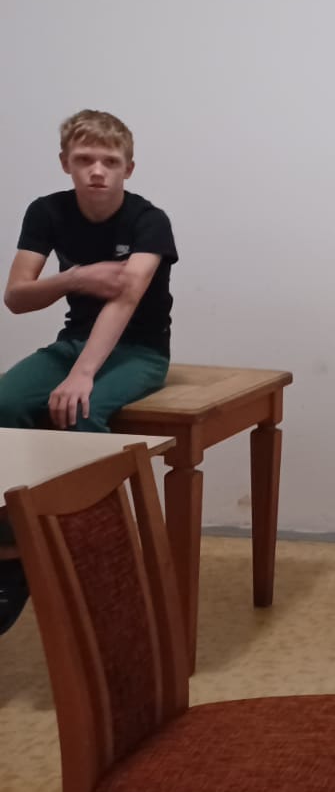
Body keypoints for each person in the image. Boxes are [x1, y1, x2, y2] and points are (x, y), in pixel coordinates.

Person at [0, 110, 178, 637]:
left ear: (128, 168)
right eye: (84, 160)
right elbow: (16, 297)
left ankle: (100, 557)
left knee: (81, 413)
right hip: (73, 342)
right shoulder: (47, 212)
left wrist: (82, 375)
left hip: (139, 351)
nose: (97, 170)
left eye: (110, 161)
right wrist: (75, 277)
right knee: (5, 404)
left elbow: (124, 300)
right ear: (65, 164)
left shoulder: (149, 221)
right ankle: (15, 552)